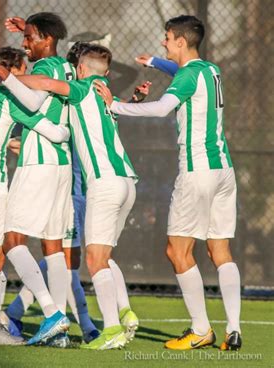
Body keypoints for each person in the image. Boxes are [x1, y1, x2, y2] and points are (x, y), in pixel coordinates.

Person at [94, 15, 241, 351]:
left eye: (166, 39)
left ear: (179, 41)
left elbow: (162, 109)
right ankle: (233, 328)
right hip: (223, 171)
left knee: (177, 251)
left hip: (197, 172)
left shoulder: (189, 74)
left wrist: (113, 104)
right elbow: (184, 73)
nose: (163, 42)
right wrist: (157, 62)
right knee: (220, 250)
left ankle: (201, 329)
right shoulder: (210, 70)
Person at [0, 44, 140, 350]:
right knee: (97, 255)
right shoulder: (104, 93)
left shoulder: (82, 89)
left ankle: (110, 328)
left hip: (103, 182)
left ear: (81, 71)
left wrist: (7, 75)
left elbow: (45, 84)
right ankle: (121, 312)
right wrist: (135, 100)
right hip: (128, 181)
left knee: (94, 258)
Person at [0, 42, 71, 345]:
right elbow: (55, 131)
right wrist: (68, 130)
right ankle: (1, 327)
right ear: (11, 71)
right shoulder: (10, 99)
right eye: (21, 75)